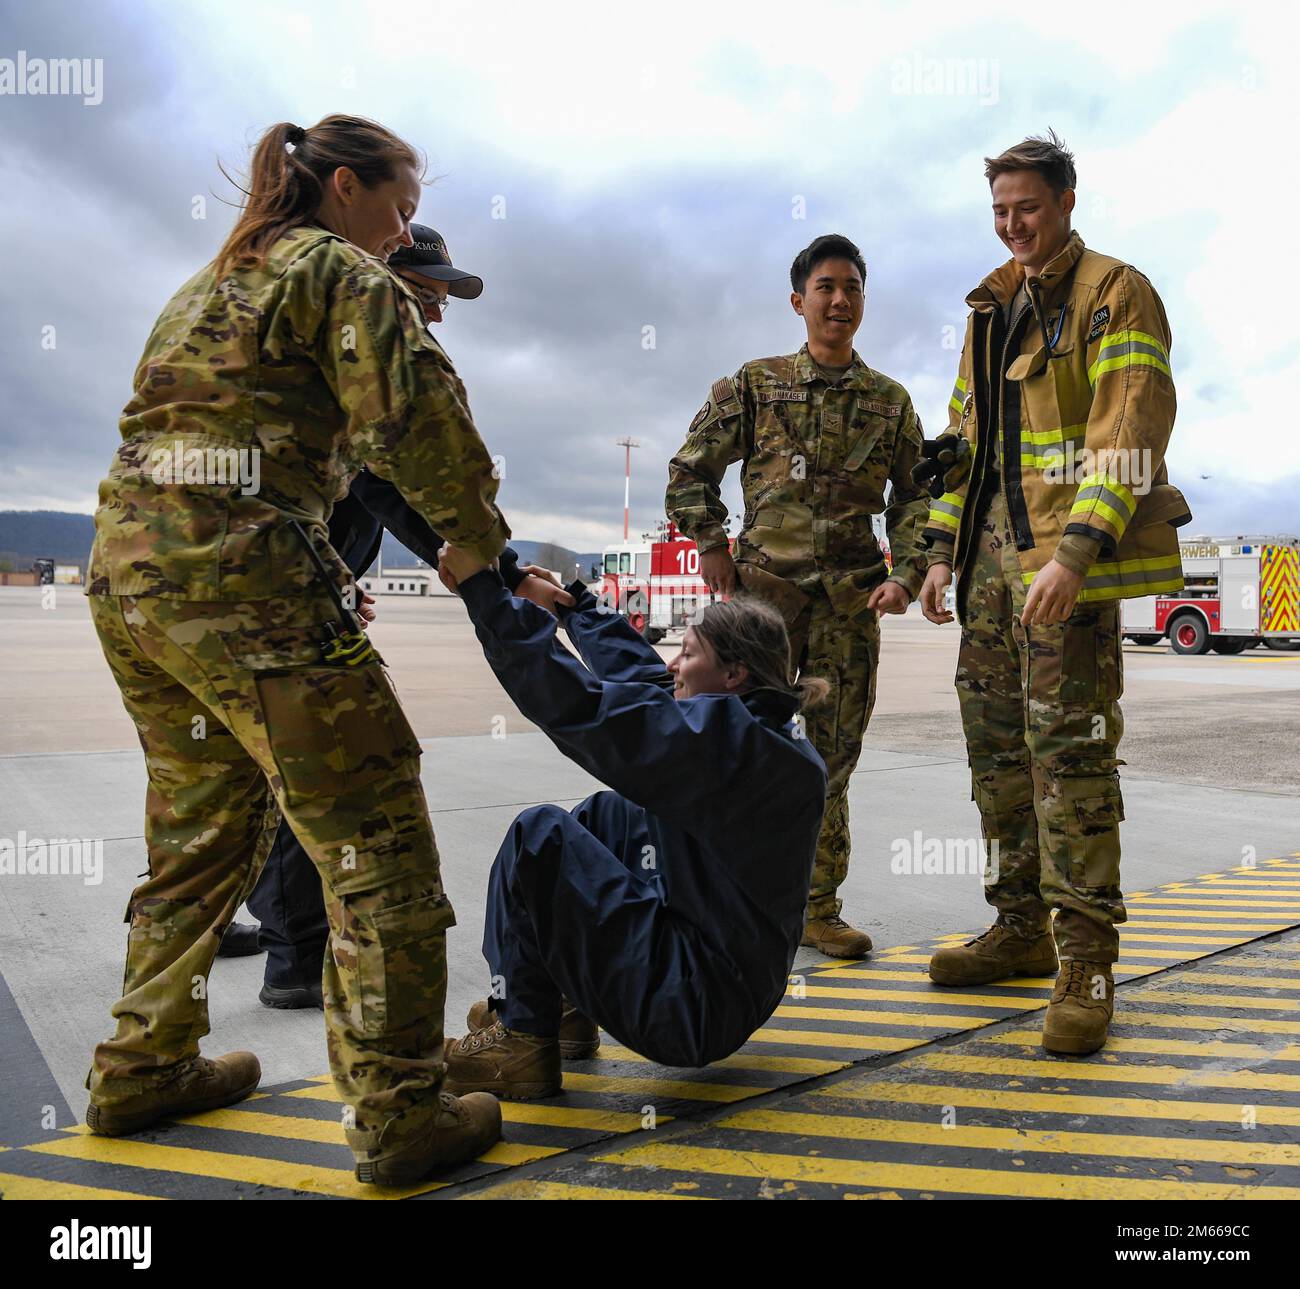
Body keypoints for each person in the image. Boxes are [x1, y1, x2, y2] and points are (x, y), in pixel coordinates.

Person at [83, 114, 514, 1185]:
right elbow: (416, 423)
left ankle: (142, 1065)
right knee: (379, 852)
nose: (400, 233)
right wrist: (485, 546)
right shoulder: (339, 268)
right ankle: (399, 1114)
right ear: (347, 188)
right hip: (248, 587)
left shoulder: (212, 277)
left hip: (132, 582)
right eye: (400, 208)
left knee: (197, 840)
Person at [243, 225, 571, 1010]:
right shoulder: (360, 350)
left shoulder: (313, 335)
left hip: (251, 578)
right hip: (278, 592)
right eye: (429, 291)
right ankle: (294, 956)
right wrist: (499, 570)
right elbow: (400, 484)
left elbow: (373, 494)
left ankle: (233, 919)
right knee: (321, 763)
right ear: (383, 275)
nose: (439, 311)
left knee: (248, 768)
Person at [917, 131, 1189, 1055]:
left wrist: (1076, 554)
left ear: (1066, 200)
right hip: (988, 569)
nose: (1012, 226)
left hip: (1062, 569)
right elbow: (963, 440)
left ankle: (1087, 961)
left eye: (1025, 208)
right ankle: (1021, 928)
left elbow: (1130, 429)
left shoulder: (1116, 293)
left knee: (1068, 758)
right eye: (999, 212)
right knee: (996, 759)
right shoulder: (991, 310)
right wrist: (939, 549)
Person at [433, 546, 828, 1097]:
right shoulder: (761, 728)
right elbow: (647, 680)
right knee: (607, 816)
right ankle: (563, 1008)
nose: (672, 665)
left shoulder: (725, 749)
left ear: (734, 673)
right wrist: (571, 607)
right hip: (725, 990)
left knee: (539, 837)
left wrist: (486, 597)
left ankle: (520, 1041)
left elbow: (582, 706)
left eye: (687, 654)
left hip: (689, 1004)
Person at [665, 234, 929, 959]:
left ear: (863, 302)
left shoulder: (890, 402)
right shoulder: (755, 385)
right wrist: (711, 542)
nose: (839, 299)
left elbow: (918, 498)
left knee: (831, 762)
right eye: (825, 287)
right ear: (798, 301)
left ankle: (817, 907)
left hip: (849, 610)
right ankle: (716, 895)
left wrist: (906, 572)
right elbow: (690, 468)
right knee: (732, 747)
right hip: (761, 612)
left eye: (851, 287)